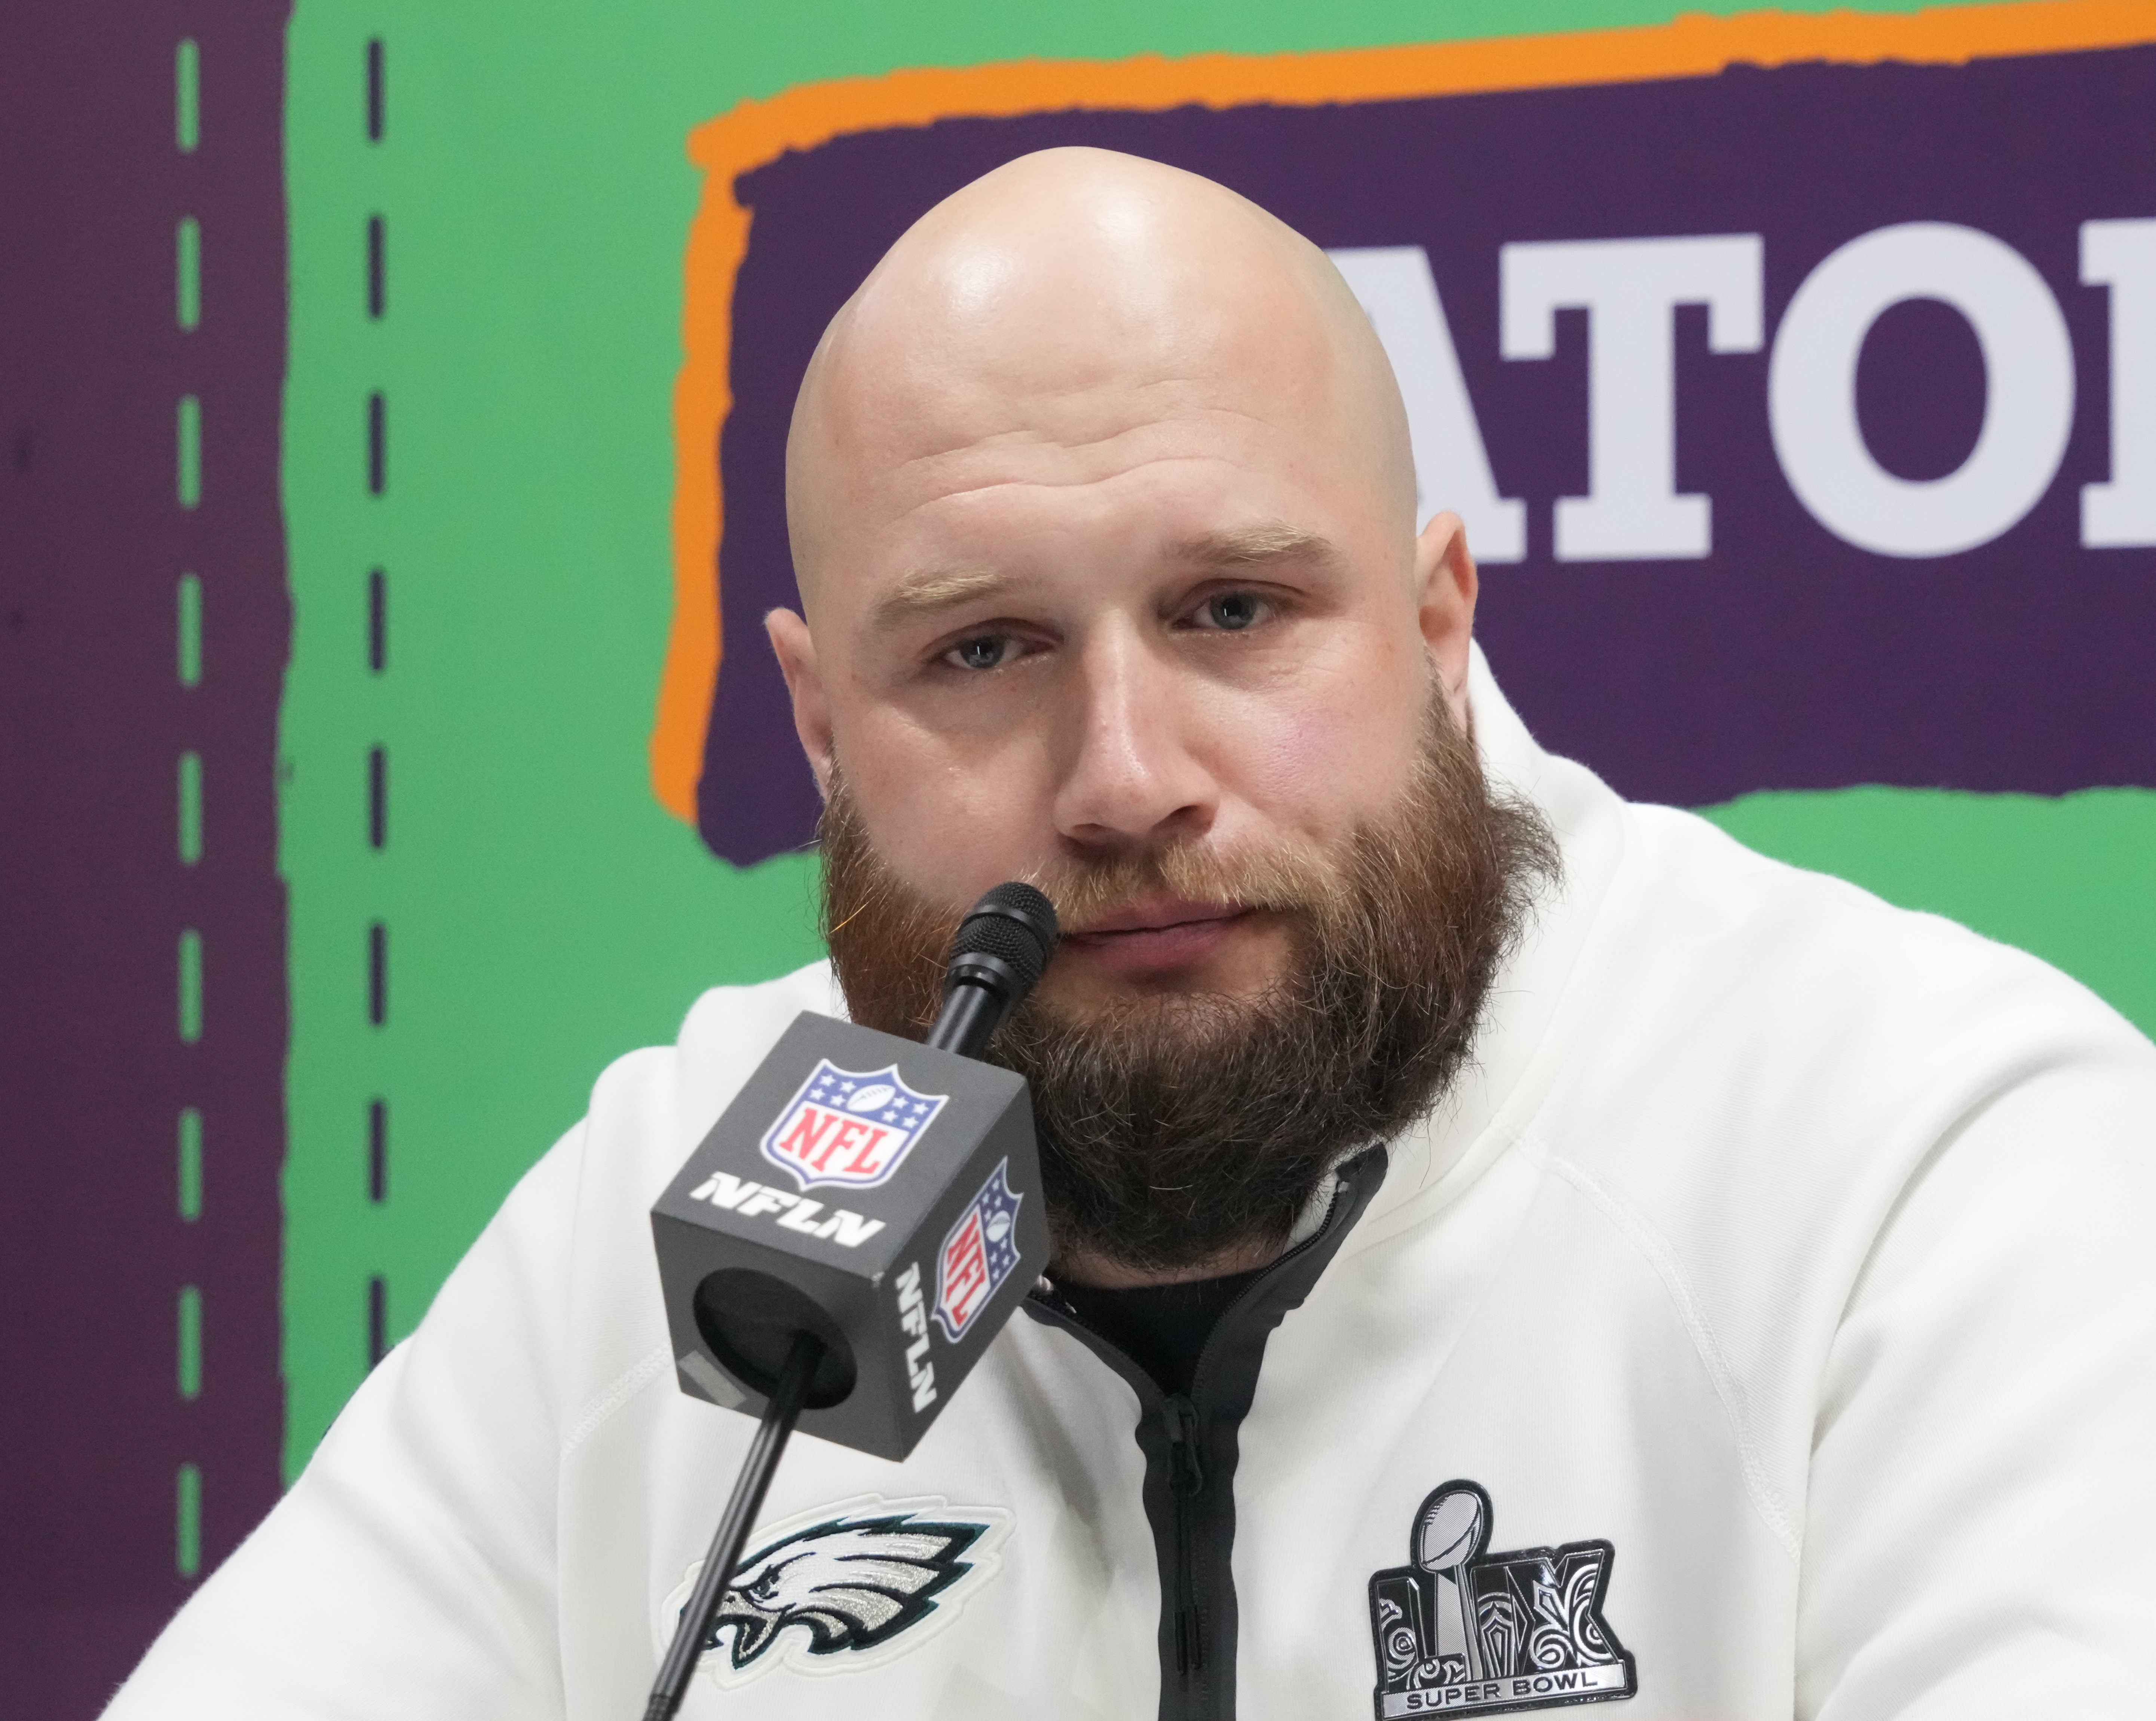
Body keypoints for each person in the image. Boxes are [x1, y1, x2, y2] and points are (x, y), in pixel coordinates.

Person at [107, 148, 2156, 1721]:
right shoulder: (677, 1198)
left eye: (1230, 612)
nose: (1120, 775)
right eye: (981, 648)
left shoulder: (1923, 1155)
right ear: (822, 722)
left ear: (1439, 630)